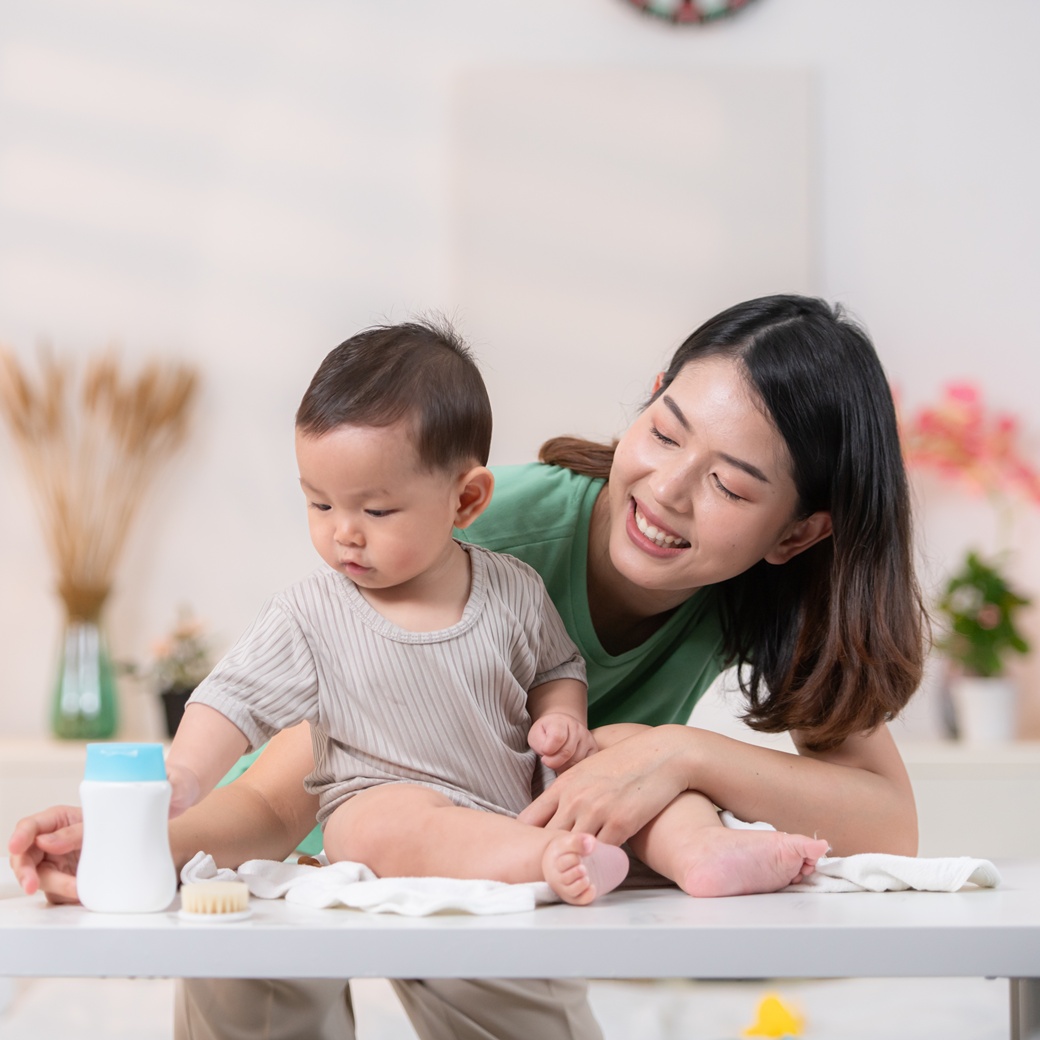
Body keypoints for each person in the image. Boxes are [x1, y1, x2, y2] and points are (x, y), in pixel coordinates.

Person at [9, 295, 926, 1040]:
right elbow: (321, 764)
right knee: (259, 996)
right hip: (296, 828)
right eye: (665, 431)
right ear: (645, 400)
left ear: (799, 532)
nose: (668, 490)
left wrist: (683, 754)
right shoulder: (485, 539)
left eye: (730, 484)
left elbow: (887, 825)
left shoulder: (771, 600)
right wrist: (152, 849)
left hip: (507, 863)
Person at [164, 319, 633, 905]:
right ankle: (541, 860)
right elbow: (232, 699)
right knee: (371, 827)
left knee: (632, 753)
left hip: (513, 805)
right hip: (388, 809)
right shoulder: (310, 614)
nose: (343, 534)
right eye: (320, 503)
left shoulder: (514, 589)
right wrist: (184, 773)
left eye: (377, 511)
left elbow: (556, 667)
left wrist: (562, 720)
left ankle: (698, 849)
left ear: (465, 499)